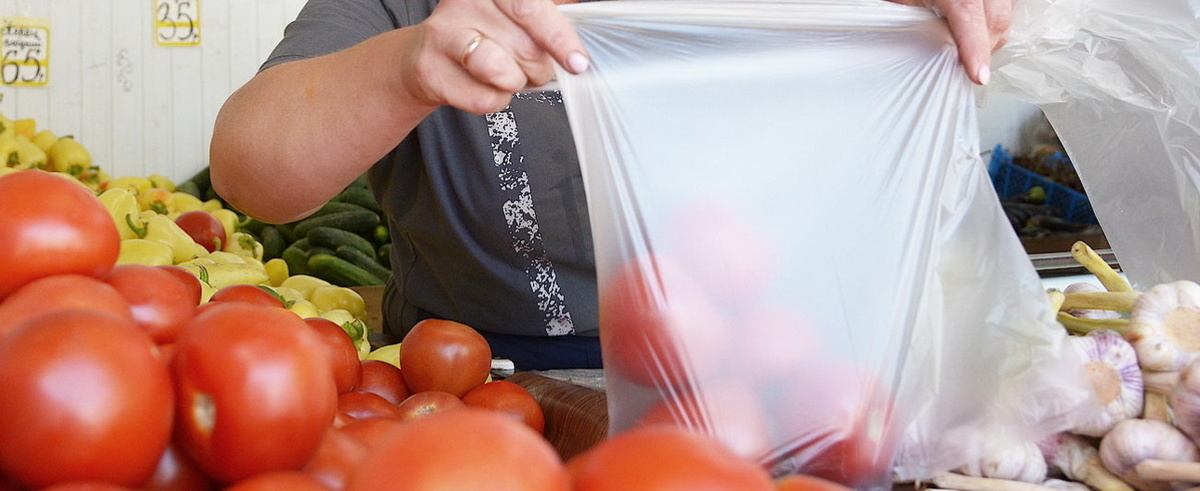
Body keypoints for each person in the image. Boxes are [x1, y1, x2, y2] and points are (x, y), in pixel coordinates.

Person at [209, 0, 1014, 371]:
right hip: (475, 387)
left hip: (750, 376)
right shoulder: (404, 5)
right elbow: (249, 170)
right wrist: (407, 65)